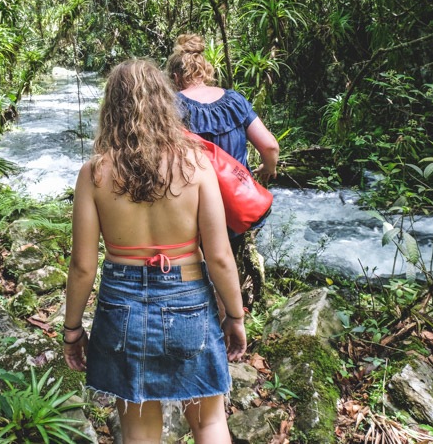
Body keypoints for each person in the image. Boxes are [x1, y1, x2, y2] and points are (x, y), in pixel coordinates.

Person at [62, 59, 246, 444]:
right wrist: (235, 315)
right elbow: (219, 256)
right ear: (166, 101)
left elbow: (83, 266)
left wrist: (73, 329)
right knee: (210, 423)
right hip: (189, 300)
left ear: (111, 108)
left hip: (120, 309)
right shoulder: (197, 164)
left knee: (139, 430)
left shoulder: (94, 173)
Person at [165, 34, 280, 310]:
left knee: (195, 272)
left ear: (177, 77)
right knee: (227, 261)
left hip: (189, 210)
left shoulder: (172, 107)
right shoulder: (234, 101)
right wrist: (266, 170)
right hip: (233, 208)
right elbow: (270, 146)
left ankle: (203, 319)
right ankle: (232, 319)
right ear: (205, 69)